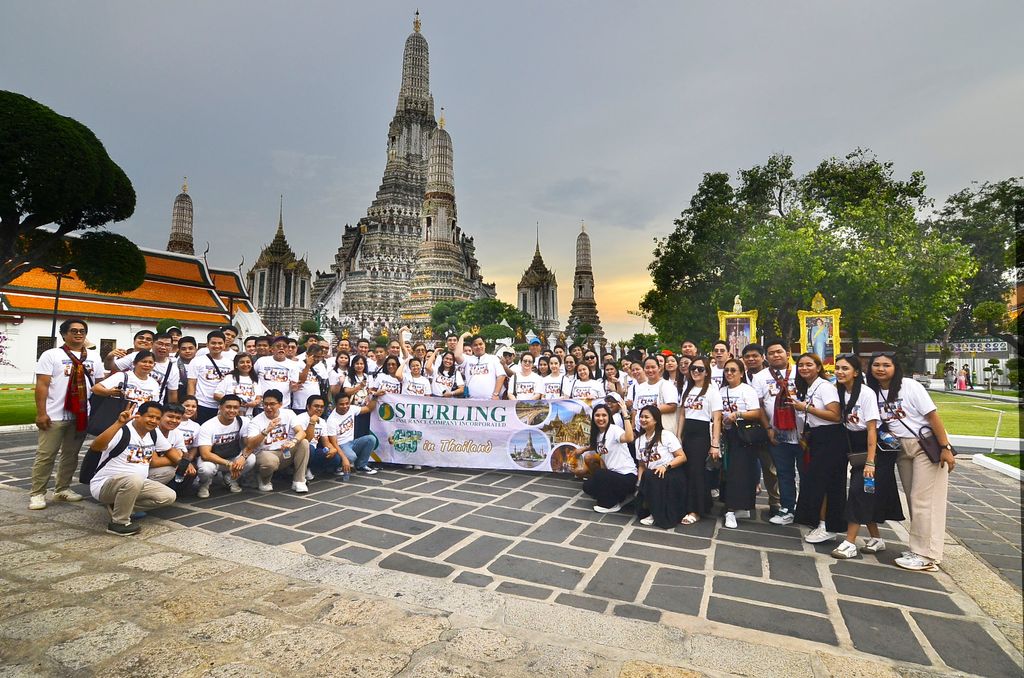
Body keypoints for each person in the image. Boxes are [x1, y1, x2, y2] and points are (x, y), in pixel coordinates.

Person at [867, 352, 956, 572]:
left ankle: (927, 555)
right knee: (912, 498)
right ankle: (918, 548)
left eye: (886, 365)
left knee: (925, 500)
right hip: (900, 448)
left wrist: (945, 447)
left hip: (926, 445)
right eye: (876, 365)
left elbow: (932, 415)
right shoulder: (873, 390)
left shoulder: (910, 386)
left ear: (895, 367)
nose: (880, 369)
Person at [831, 354, 903, 559]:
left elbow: (872, 429)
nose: (840, 372)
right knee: (866, 492)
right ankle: (876, 538)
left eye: (845, 368)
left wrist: (871, 462)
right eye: (837, 368)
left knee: (857, 491)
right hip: (856, 448)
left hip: (875, 450)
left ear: (856, 372)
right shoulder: (841, 392)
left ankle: (849, 542)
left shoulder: (866, 394)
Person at [30, 318, 105, 510]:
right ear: (64, 334)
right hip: (54, 414)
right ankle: (38, 493)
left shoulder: (94, 357)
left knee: (71, 455)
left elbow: (98, 386)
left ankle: (62, 488)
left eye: (82, 331)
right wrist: (41, 413)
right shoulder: (51, 355)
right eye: (74, 331)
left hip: (80, 414)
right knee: (46, 455)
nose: (78, 334)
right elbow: (42, 385)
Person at [88, 401, 177, 536]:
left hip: (136, 483)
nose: (154, 421)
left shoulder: (154, 433)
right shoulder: (122, 430)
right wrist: (118, 423)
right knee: (133, 480)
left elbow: (169, 450)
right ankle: (119, 523)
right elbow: (96, 446)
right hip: (105, 485)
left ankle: (119, 507)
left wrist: (185, 464)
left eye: (158, 418)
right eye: (150, 416)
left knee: (168, 496)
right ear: (138, 415)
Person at [791, 352, 845, 544]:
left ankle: (827, 525)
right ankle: (819, 521)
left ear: (818, 367)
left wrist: (805, 408)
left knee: (826, 483)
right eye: (801, 365)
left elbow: (835, 415)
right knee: (815, 481)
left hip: (830, 438)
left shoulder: (825, 387)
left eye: (809, 365)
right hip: (816, 437)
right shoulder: (808, 387)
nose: (804, 368)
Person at [754, 339, 802, 526]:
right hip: (777, 433)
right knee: (783, 473)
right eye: (771, 353)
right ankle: (787, 508)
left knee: (805, 474)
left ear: (787, 353)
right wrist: (768, 429)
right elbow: (759, 405)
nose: (775, 355)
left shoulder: (801, 370)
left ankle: (806, 509)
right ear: (766, 357)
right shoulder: (760, 377)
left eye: (779, 351)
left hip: (802, 433)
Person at [719, 358, 764, 529]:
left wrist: (737, 415)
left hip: (743, 436)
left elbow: (756, 413)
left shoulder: (747, 390)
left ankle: (734, 509)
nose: (729, 373)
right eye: (726, 370)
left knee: (741, 473)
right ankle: (730, 505)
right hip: (726, 434)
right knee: (727, 472)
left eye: (733, 370)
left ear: (741, 373)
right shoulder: (721, 390)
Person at [678, 356, 722, 525]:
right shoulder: (687, 389)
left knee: (697, 472)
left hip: (702, 434)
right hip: (687, 434)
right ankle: (693, 503)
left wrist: (714, 444)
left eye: (700, 369)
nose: (696, 371)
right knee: (687, 470)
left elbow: (716, 419)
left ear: (706, 372)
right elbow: (682, 414)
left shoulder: (711, 390)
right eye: (693, 368)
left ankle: (695, 510)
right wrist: (678, 436)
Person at [741, 343, 781, 517]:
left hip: (767, 427)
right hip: (743, 429)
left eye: (755, 356)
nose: (751, 359)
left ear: (762, 357)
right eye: (747, 356)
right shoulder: (740, 375)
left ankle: (776, 503)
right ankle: (744, 502)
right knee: (744, 467)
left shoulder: (771, 376)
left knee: (771, 468)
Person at [244, 389, 309, 493]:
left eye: (272, 404)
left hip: (284, 451)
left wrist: (293, 441)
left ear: (280, 404)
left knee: (303, 443)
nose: (268, 407)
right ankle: (264, 480)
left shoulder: (289, 413)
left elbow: (301, 432)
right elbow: (250, 444)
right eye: (265, 404)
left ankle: (299, 481)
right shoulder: (256, 421)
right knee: (270, 461)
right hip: (265, 453)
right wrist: (266, 431)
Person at [634, 405, 687, 528]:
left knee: (650, 475)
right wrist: (640, 483)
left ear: (656, 420)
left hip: (670, 473)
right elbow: (641, 465)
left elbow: (682, 457)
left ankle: (656, 514)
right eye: (641, 417)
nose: (643, 420)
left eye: (647, 417)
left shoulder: (666, 435)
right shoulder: (639, 441)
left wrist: (665, 466)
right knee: (639, 508)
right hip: (651, 476)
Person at [582, 403, 637, 513]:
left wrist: (625, 414)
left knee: (599, 474)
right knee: (588, 486)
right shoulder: (597, 434)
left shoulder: (614, 429)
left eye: (604, 415)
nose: (600, 418)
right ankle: (620, 497)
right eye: (597, 415)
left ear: (609, 417)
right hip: (613, 475)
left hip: (627, 476)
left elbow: (629, 437)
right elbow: (603, 458)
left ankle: (611, 505)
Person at [196, 394, 253, 495]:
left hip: (232, 457)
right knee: (206, 469)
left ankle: (230, 478)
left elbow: (248, 445)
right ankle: (205, 483)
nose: (231, 410)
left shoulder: (244, 421)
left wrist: (243, 458)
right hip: (213, 460)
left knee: (251, 458)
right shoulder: (208, 426)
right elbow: (205, 454)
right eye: (228, 407)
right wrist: (228, 463)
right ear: (220, 407)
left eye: (235, 407)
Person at [111, 332, 180, 404]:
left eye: (167, 345)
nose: (163, 347)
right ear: (152, 344)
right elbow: (112, 367)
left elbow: (172, 394)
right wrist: (110, 356)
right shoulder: (136, 355)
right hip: (127, 401)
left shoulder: (173, 368)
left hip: (152, 408)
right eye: (160, 343)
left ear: (171, 347)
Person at [326, 392, 380, 475]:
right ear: (335, 404)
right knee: (351, 457)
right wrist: (344, 458)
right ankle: (339, 467)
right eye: (341, 404)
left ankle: (361, 466)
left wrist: (375, 396)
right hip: (340, 445)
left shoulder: (351, 408)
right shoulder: (331, 420)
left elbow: (369, 408)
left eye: (347, 403)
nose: (345, 406)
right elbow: (334, 443)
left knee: (371, 439)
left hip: (352, 442)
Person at [93, 350, 161, 415]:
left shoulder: (154, 384)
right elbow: (95, 388)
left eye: (150, 362)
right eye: (144, 361)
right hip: (118, 419)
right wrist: (108, 392)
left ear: (154, 365)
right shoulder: (121, 376)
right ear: (134, 363)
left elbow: (154, 405)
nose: (147, 365)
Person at [296, 395, 349, 478]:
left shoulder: (322, 421)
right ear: (308, 407)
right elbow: (307, 440)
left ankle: (313, 469)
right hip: (300, 449)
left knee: (336, 458)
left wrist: (332, 449)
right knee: (309, 447)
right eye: (316, 406)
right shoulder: (300, 419)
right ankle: (304, 469)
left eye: (321, 407)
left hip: (314, 451)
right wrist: (312, 422)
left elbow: (326, 442)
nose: (319, 409)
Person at [187, 331, 234, 423]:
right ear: (207, 345)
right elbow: (191, 383)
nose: (217, 346)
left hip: (221, 406)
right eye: (213, 343)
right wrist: (191, 405)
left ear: (224, 345)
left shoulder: (230, 363)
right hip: (202, 404)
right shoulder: (197, 361)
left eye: (220, 343)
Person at [253, 336, 299, 411]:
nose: (281, 348)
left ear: (287, 349)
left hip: (283, 406)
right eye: (278, 346)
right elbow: (252, 378)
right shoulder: (261, 361)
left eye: (284, 346)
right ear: (272, 349)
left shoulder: (293, 365)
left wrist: (294, 387)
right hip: (262, 406)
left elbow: (293, 385)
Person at [455, 333, 506, 399]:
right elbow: (457, 355)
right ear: (472, 347)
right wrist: (462, 337)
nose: (478, 347)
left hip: (490, 400)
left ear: (484, 345)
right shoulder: (467, 359)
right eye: (475, 345)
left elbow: (501, 376)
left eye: (480, 344)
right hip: (470, 400)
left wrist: (496, 394)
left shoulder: (493, 358)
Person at [215, 352, 261, 417]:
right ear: (236, 365)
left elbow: (258, 398)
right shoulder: (229, 377)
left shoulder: (255, 379)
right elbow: (217, 395)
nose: (245, 364)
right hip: (228, 414)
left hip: (247, 415)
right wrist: (235, 402)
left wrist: (254, 403)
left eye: (248, 362)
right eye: (242, 362)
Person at [175, 336, 197, 403]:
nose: (187, 351)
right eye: (183, 349)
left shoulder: (201, 364)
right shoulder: (173, 364)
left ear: (196, 349)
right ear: (178, 350)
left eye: (190, 348)